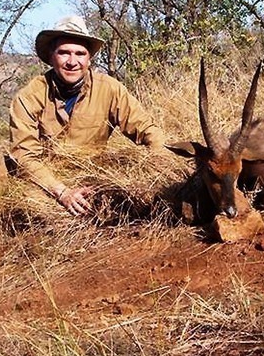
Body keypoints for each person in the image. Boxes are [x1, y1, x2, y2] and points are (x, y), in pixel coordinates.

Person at [9, 15, 165, 216]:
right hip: (46, 184)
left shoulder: (110, 89)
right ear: (51, 56)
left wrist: (159, 167)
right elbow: (24, 156)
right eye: (64, 53)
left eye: (80, 54)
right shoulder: (28, 97)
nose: (72, 62)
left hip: (91, 179)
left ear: (89, 58)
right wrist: (62, 192)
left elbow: (148, 130)